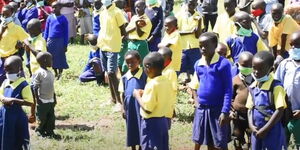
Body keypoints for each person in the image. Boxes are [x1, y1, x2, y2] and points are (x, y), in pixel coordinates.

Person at [189, 32, 232, 150]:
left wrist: (225, 111)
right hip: (202, 108)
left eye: (206, 46)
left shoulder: (223, 64)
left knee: (219, 142)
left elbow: (228, 89)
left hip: (218, 109)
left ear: (214, 45)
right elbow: (197, 85)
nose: (202, 48)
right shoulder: (198, 64)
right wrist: (197, 103)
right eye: (200, 46)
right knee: (207, 141)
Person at [246, 51, 287, 150]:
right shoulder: (253, 86)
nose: (256, 72)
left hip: (272, 130)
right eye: (254, 67)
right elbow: (250, 109)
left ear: (271, 69)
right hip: (256, 130)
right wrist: (251, 125)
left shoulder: (276, 87)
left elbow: (280, 110)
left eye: (260, 69)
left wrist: (266, 129)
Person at [133, 52, 173, 150]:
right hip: (162, 121)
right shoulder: (166, 80)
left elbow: (148, 109)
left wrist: (137, 96)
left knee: (149, 146)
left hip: (151, 123)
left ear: (148, 67)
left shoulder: (152, 84)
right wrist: (145, 92)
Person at [0, 56, 34, 150]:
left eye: (11, 71)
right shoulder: (6, 82)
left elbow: (30, 102)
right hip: (4, 114)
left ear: (19, 69)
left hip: (16, 116)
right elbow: (0, 93)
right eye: (7, 71)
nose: (8, 73)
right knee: (4, 135)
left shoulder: (23, 84)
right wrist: (3, 98)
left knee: (16, 137)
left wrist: (13, 100)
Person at [97, 0, 127, 105]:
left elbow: (123, 30)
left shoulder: (117, 12)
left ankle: (119, 101)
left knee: (112, 73)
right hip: (103, 45)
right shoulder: (102, 11)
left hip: (113, 46)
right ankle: (113, 98)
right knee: (107, 74)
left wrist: (119, 41)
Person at [274, 31, 300, 149]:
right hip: (285, 114)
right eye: (292, 45)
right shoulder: (285, 64)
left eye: (297, 45)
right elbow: (277, 86)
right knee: (282, 144)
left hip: (299, 115)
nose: (294, 48)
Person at [119, 50, 147, 150]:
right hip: (129, 106)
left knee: (141, 126)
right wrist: (123, 109)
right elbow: (122, 94)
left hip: (140, 105)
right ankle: (133, 147)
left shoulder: (144, 75)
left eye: (133, 62)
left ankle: (141, 146)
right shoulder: (125, 77)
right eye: (128, 62)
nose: (130, 64)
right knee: (131, 127)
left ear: (139, 61)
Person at [0, 5, 29, 84]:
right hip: (2, 57)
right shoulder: (1, 25)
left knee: (18, 79)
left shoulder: (16, 24)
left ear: (12, 13)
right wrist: (2, 31)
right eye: (3, 14)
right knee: (2, 80)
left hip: (13, 56)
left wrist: (21, 44)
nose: (4, 17)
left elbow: (23, 38)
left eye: (7, 14)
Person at [230, 52, 254, 150]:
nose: (247, 68)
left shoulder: (256, 80)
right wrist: (231, 110)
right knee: (237, 137)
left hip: (252, 115)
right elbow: (230, 97)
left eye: (250, 66)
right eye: (245, 66)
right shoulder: (235, 80)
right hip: (238, 115)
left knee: (252, 137)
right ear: (238, 65)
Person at [32, 52, 57, 138]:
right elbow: (35, 87)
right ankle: (40, 131)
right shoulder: (39, 73)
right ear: (45, 61)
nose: (52, 61)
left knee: (51, 117)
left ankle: (50, 131)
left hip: (50, 99)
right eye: (51, 60)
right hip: (42, 99)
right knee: (42, 117)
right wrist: (37, 99)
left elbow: (52, 86)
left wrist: (54, 97)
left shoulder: (50, 73)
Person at [177, 0, 202, 83]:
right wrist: (190, 32)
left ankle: (195, 83)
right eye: (190, 3)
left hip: (194, 45)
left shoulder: (198, 16)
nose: (191, 5)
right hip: (183, 45)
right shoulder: (180, 16)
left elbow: (198, 35)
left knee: (195, 65)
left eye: (194, 3)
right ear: (186, 3)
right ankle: (185, 79)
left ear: (196, 4)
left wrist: (199, 22)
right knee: (182, 63)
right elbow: (177, 32)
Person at [44, 2, 69, 80]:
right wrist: (45, 40)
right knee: (52, 57)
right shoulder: (50, 18)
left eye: (55, 7)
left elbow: (66, 33)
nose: (53, 9)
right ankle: (55, 73)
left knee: (60, 57)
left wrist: (65, 44)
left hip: (60, 41)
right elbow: (46, 30)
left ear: (60, 7)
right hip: (51, 40)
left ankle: (60, 73)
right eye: (52, 7)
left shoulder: (63, 19)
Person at [158, 47, 177, 129]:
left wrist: (171, 107)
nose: (159, 59)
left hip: (166, 106)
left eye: (162, 57)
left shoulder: (170, 72)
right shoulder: (160, 69)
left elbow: (172, 90)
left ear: (169, 59)